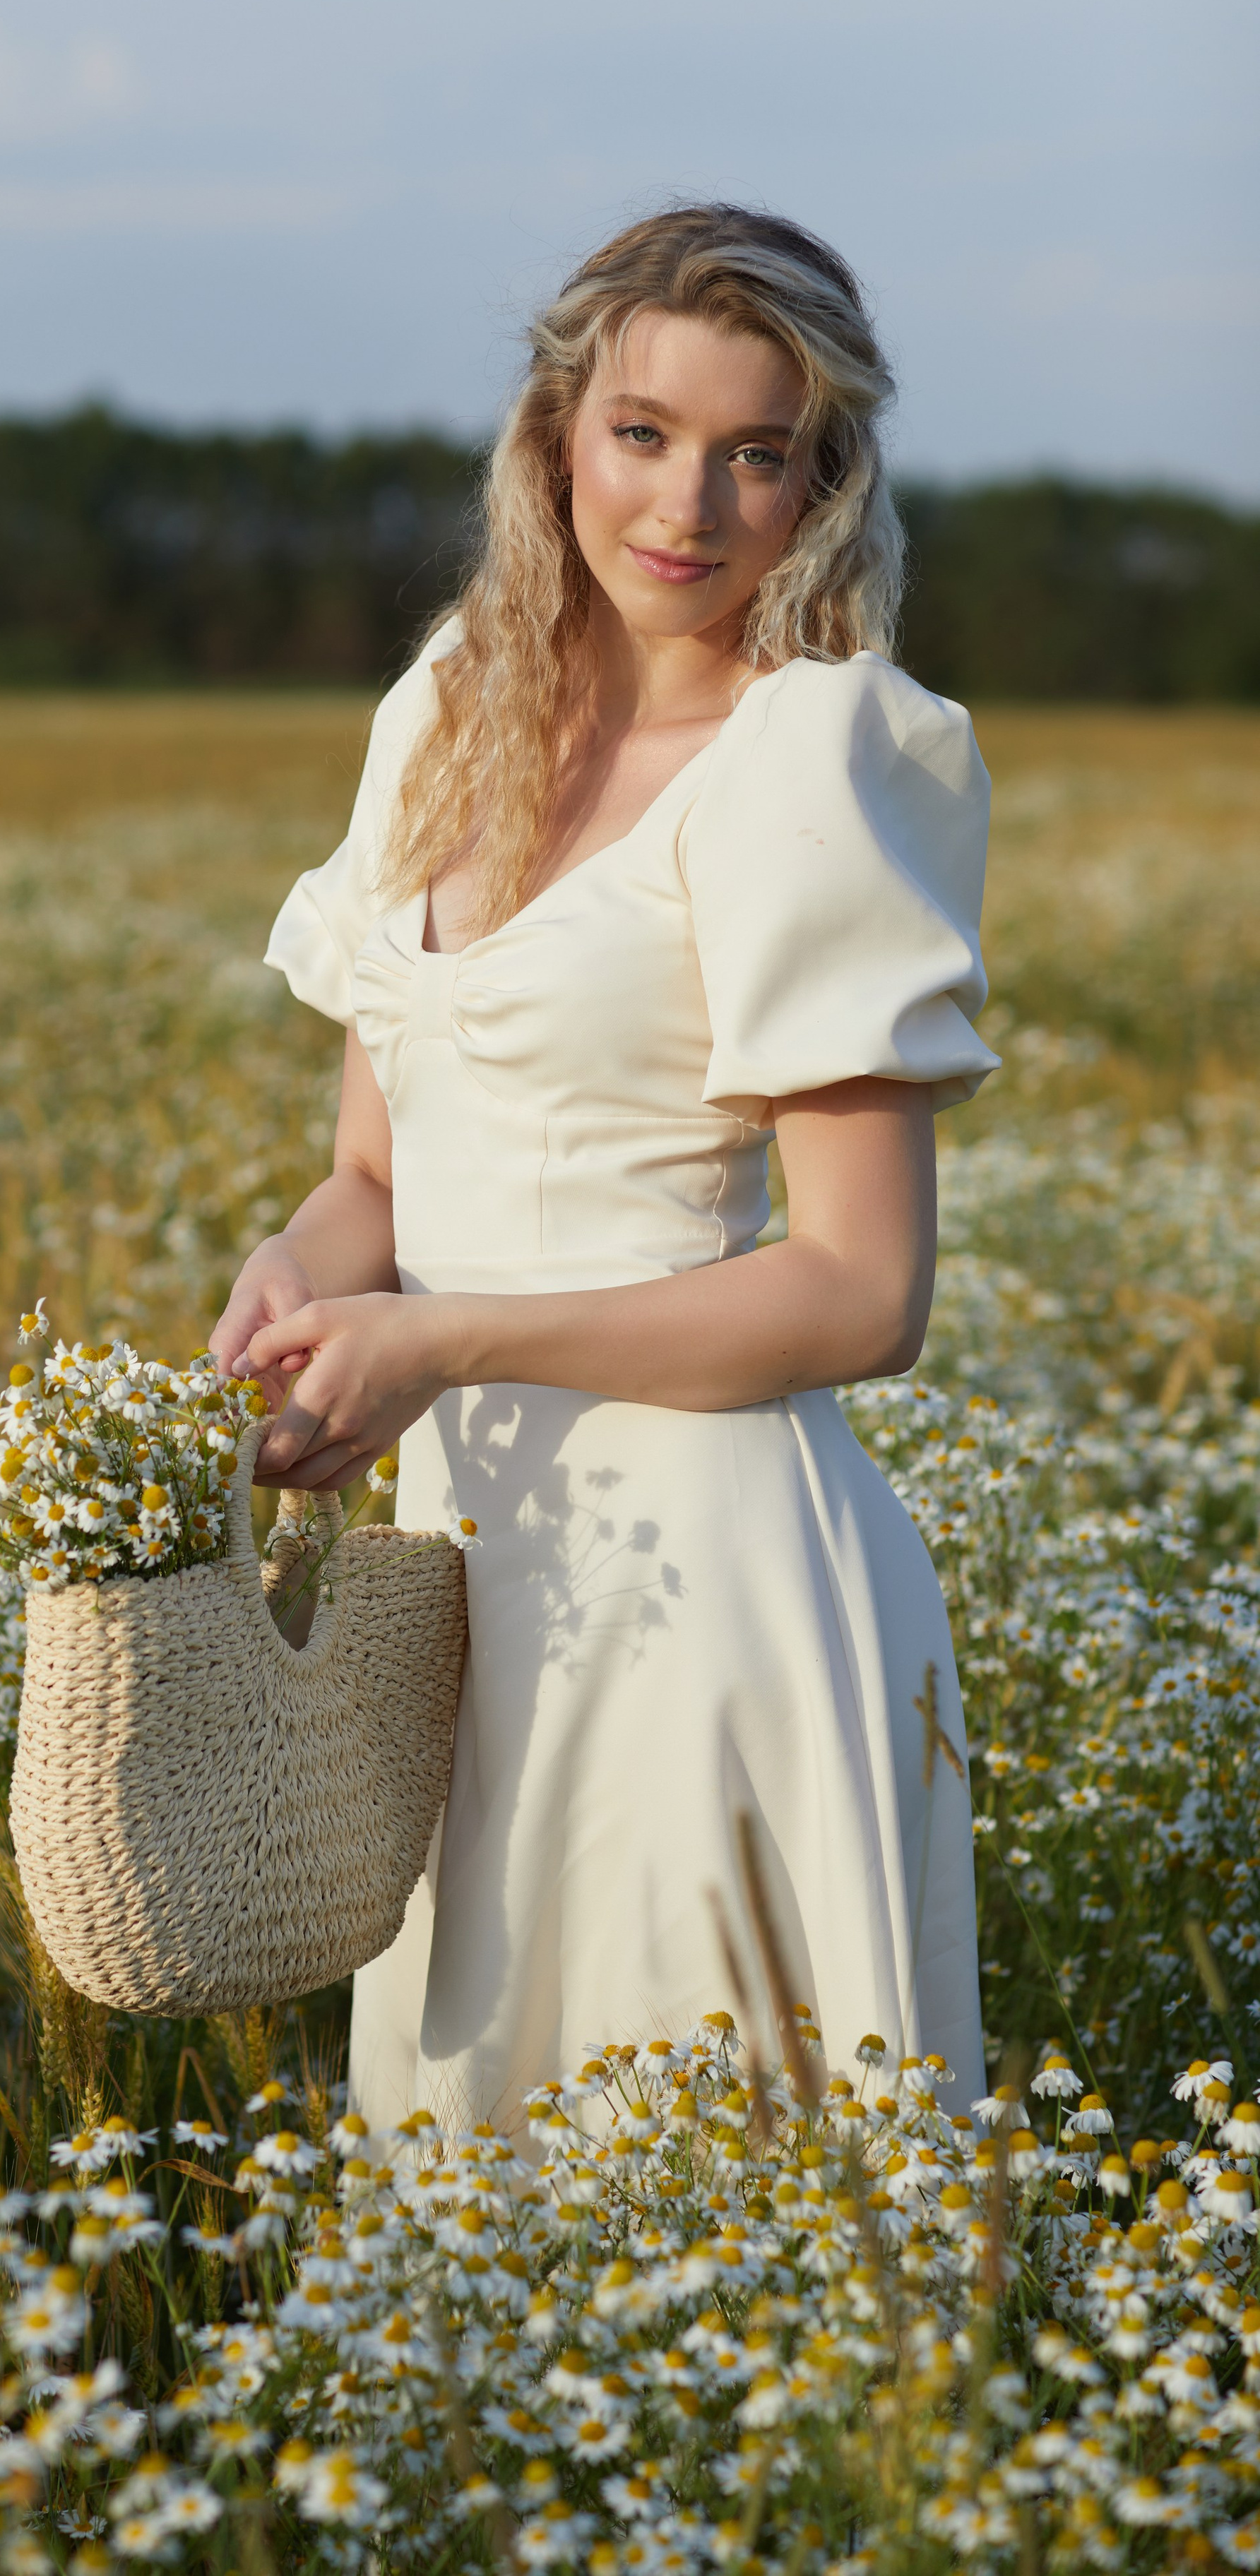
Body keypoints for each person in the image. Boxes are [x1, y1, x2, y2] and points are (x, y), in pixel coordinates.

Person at [209, 204, 995, 2126]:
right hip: (456, 1579)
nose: (688, 506)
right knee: (474, 2179)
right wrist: (302, 1274)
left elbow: (862, 1294)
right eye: (644, 432)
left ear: (822, 483)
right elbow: (375, 1176)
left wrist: (444, 1342)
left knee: (710, 2199)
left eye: (758, 453)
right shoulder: (448, 712)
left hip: (707, 1590)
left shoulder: (812, 758)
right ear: (556, 428)